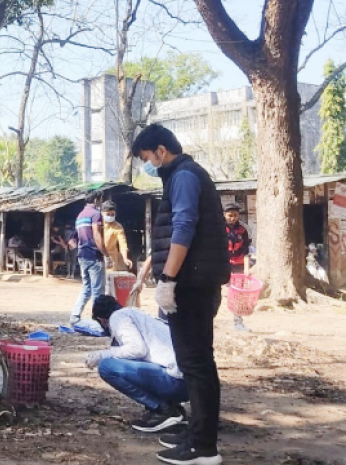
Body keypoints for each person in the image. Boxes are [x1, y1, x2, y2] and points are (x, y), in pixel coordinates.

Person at [131, 123, 229, 465]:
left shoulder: (185, 176)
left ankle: (204, 448)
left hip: (192, 286)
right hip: (194, 283)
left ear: (161, 150)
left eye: (148, 159)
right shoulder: (180, 176)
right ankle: (197, 434)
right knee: (194, 363)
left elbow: (184, 226)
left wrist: (169, 278)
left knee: (197, 364)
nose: (149, 165)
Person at [86, 295, 188, 433]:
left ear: (101, 320)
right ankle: (173, 407)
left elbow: (137, 349)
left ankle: (163, 410)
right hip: (188, 381)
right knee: (127, 361)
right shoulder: (134, 313)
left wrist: (102, 354)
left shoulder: (117, 318)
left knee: (107, 367)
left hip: (177, 382)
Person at [69, 191, 111, 325]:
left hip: (82, 255)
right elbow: (97, 235)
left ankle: (75, 316)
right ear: (96, 199)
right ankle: (98, 319)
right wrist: (105, 253)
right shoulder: (95, 214)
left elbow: (74, 238)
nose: (101, 203)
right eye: (101, 200)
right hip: (93, 255)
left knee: (86, 288)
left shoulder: (80, 215)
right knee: (97, 290)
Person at [224, 203, 252, 332]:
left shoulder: (243, 230)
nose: (233, 218)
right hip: (223, 264)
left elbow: (246, 250)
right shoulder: (219, 228)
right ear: (224, 215)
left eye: (235, 215)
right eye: (230, 215)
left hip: (239, 265)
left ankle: (238, 322)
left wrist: (246, 269)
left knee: (238, 294)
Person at [102, 201, 133, 272]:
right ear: (102, 213)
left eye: (112, 214)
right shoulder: (97, 224)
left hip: (111, 259)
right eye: (108, 214)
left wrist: (125, 258)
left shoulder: (118, 226)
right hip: (97, 257)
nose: (110, 216)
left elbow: (123, 243)